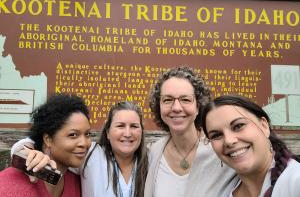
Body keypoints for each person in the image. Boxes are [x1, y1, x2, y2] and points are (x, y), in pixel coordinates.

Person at [11, 101, 148, 197]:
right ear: (107, 131)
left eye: (134, 126)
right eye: (120, 126)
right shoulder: (90, 155)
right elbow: (25, 145)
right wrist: (29, 151)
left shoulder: (152, 159)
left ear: (141, 131)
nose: (128, 133)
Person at [144, 66, 237, 197]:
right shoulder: (153, 153)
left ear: (198, 106)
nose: (176, 108)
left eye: (185, 100)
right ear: (158, 106)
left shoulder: (220, 150)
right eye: (168, 100)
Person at [201, 95, 300, 197]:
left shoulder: (295, 182)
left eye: (238, 126)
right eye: (216, 135)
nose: (229, 141)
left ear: (264, 126)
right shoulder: (221, 192)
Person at [0, 94, 92, 197]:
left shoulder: (78, 182)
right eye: (73, 135)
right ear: (48, 139)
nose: (84, 143)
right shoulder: (9, 186)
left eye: (87, 134)